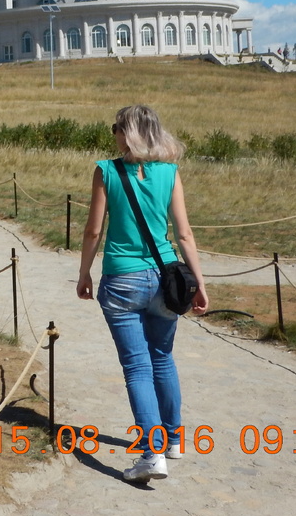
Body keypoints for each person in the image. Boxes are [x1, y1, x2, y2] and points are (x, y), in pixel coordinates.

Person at [76, 104, 208, 484]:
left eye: (117, 127)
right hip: (166, 277)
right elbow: (184, 233)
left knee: (136, 366)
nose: (114, 133)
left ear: (127, 133)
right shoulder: (170, 171)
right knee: (162, 358)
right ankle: (174, 438)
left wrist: (84, 272)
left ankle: (152, 455)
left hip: (122, 278)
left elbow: (92, 230)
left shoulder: (107, 170)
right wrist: (199, 282)